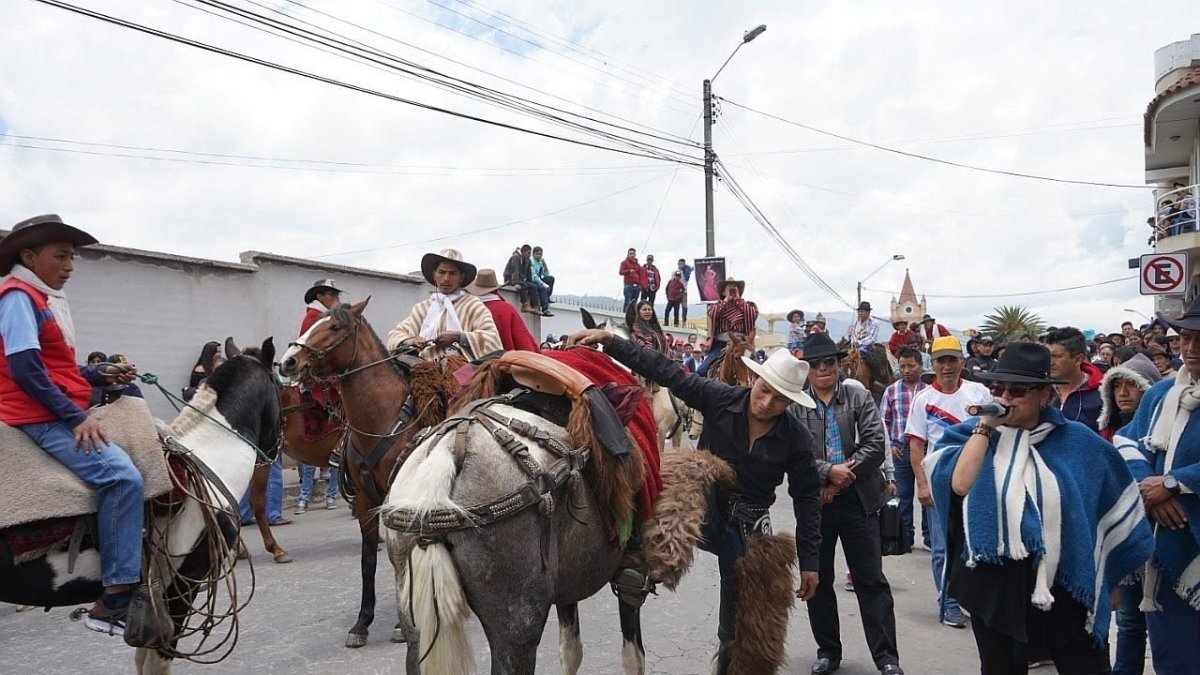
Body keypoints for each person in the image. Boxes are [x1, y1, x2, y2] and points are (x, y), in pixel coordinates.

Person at [568, 328, 821, 675]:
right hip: (703, 504)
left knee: (743, 622)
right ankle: (640, 560)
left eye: (778, 399)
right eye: (764, 391)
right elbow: (668, 371)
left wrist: (810, 561)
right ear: (754, 379)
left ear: (789, 403)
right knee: (689, 469)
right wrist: (611, 342)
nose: (766, 403)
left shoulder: (797, 438)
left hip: (748, 523)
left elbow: (807, 499)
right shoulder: (718, 397)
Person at [930, 342, 1154, 675]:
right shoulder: (970, 436)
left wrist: (1114, 579)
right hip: (996, 585)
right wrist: (985, 428)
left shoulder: (1078, 442)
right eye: (998, 388)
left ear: (1044, 396)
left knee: (1085, 665)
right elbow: (959, 484)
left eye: (1017, 390)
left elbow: (1114, 500)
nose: (1005, 397)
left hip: (1066, 584)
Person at [0, 214, 144, 636]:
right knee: (122, 478)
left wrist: (101, 375)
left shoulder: (36, 299)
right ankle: (114, 598)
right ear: (29, 256)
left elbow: (52, 369)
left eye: (72, 258)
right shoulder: (18, 297)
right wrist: (76, 416)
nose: (69, 267)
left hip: (49, 407)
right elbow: (25, 368)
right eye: (60, 256)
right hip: (39, 417)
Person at [792, 332, 902, 674]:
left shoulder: (858, 394)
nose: (823, 368)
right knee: (818, 580)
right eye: (815, 364)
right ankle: (828, 652)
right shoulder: (796, 403)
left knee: (871, 580)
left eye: (829, 362)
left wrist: (837, 483)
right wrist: (826, 474)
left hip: (858, 501)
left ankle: (887, 659)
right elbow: (795, 455)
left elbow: (873, 443)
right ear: (806, 369)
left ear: (839, 364)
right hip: (814, 504)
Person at [1114, 296, 1200, 675]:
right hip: (1166, 546)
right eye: (1185, 337)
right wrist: (1148, 492)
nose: (1191, 348)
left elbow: (1169, 478)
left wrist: (1175, 482)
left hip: (1190, 530)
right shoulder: (1162, 395)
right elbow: (1127, 442)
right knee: (1174, 655)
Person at [906, 336, 991, 630]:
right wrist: (922, 484)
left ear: (962, 363)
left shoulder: (979, 394)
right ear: (933, 365)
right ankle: (949, 601)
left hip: (976, 480)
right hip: (939, 482)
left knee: (974, 545)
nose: (947, 366)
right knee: (942, 547)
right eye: (941, 360)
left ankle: (975, 600)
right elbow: (916, 446)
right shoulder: (923, 399)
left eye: (952, 359)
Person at [1093, 353, 1160, 675]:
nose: (1123, 393)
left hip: (1161, 534)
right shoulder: (1105, 434)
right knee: (1129, 622)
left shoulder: (1159, 434)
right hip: (1123, 540)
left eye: (1132, 385)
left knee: (1165, 627)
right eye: (1117, 385)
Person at [386, 249, 502, 361]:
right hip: (423, 370)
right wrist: (409, 340)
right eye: (441, 272)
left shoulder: (473, 306)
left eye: (452, 273)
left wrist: (459, 337)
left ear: (461, 277)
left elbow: (492, 340)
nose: (446, 278)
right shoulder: (422, 309)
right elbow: (395, 334)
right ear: (434, 275)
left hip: (463, 373)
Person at [879, 347, 928, 553]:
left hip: (925, 451)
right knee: (903, 495)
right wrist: (890, 446)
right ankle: (906, 537)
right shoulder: (891, 391)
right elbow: (883, 422)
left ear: (920, 366)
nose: (906, 370)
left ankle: (929, 537)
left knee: (927, 494)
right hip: (900, 450)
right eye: (902, 366)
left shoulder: (928, 391)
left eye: (911, 366)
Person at [1044, 326, 1103, 432]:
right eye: (1047, 356)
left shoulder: (1102, 394)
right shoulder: (1038, 390)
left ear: (1078, 359)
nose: (1050, 362)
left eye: (1057, 356)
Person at [697, 278, 757, 377]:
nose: (732, 290)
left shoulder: (747, 305)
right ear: (724, 292)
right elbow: (712, 314)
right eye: (729, 288)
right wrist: (726, 301)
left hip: (742, 344)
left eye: (735, 288)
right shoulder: (717, 305)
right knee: (701, 370)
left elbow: (752, 315)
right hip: (721, 344)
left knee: (759, 369)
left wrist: (738, 299)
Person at [466, 269, 537, 352]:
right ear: (495, 289)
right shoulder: (506, 309)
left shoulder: (468, 308)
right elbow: (522, 340)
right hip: (502, 361)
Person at [501, 245, 534, 314]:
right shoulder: (516, 257)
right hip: (510, 278)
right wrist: (515, 283)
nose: (530, 255)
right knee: (523, 285)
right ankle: (524, 304)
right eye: (528, 253)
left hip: (518, 278)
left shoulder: (525, 259)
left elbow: (528, 273)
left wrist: (530, 282)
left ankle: (533, 306)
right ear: (523, 252)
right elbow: (514, 270)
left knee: (531, 286)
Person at [676, 258, 693, 323]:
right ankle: (676, 322)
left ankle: (684, 321)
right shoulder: (675, 272)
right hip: (676, 292)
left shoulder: (686, 271)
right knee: (676, 307)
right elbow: (672, 281)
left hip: (684, 292)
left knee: (684, 307)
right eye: (680, 264)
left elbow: (693, 268)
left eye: (682, 264)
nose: (681, 265)